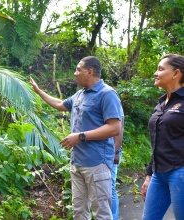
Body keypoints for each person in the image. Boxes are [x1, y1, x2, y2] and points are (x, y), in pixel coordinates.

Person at [29, 56, 123, 219]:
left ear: (90, 71)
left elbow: (115, 128)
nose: (75, 73)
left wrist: (80, 136)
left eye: (78, 70)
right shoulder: (80, 95)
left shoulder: (107, 94)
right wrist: (38, 91)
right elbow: (60, 104)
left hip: (97, 163)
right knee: (79, 212)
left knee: (101, 213)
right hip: (77, 162)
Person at [141, 54, 184, 220]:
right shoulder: (160, 104)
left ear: (176, 73)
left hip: (180, 172)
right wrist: (149, 174)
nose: (155, 73)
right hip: (159, 174)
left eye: (160, 69)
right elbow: (157, 141)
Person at [112, 117, 124, 220]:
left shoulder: (113, 101)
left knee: (110, 188)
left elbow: (119, 128)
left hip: (112, 151)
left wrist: (116, 152)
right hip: (101, 151)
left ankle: (114, 217)